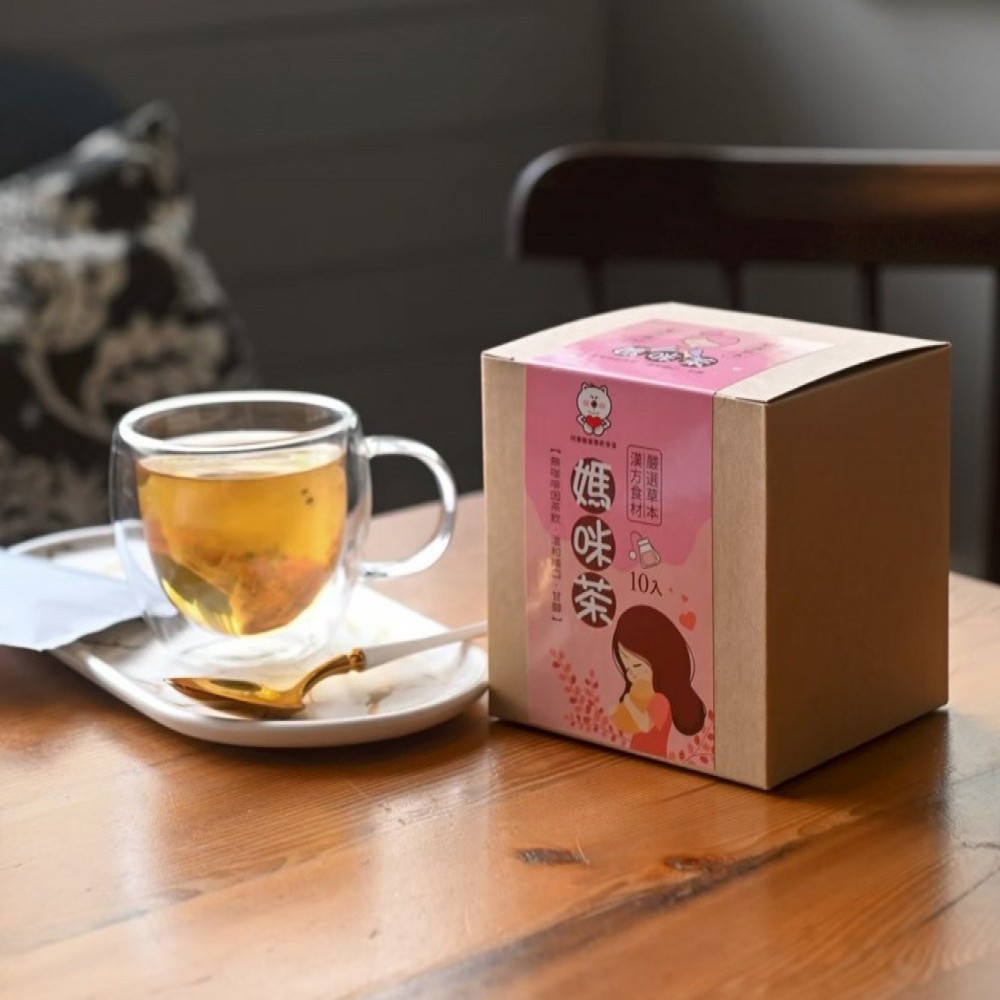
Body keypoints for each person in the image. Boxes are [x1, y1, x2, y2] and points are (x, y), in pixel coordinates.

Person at [610, 604, 706, 755]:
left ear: (660, 663)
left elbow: (644, 725)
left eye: (636, 665)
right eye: (626, 668)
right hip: (636, 753)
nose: (630, 674)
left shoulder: (660, 700)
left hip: (653, 753)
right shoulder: (643, 694)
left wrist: (629, 703)